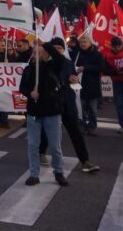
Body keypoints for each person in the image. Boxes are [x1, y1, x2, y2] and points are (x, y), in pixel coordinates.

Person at [38, 38, 100, 173]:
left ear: (63, 49)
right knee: (47, 130)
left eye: (59, 48)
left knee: (76, 133)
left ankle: (85, 161)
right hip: (52, 103)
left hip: (67, 102)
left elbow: (72, 79)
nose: (56, 51)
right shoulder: (44, 64)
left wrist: (74, 79)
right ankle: (41, 152)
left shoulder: (68, 63)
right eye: (53, 48)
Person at [20, 40, 68, 186]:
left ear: (46, 54)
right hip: (34, 113)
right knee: (33, 145)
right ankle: (34, 174)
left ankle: (58, 172)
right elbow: (22, 87)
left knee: (55, 146)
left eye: (38, 52)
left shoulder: (53, 66)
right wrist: (30, 93)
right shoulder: (28, 69)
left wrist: (45, 44)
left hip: (51, 112)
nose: (34, 55)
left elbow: (60, 58)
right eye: (33, 52)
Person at [76, 35, 104, 135]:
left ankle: (92, 127)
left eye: (85, 42)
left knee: (92, 109)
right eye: (81, 42)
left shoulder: (97, 54)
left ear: (90, 43)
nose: (83, 44)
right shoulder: (78, 54)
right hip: (79, 86)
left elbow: (101, 67)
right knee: (81, 108)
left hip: (92, 85)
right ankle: (83, 126)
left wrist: (85, 68)